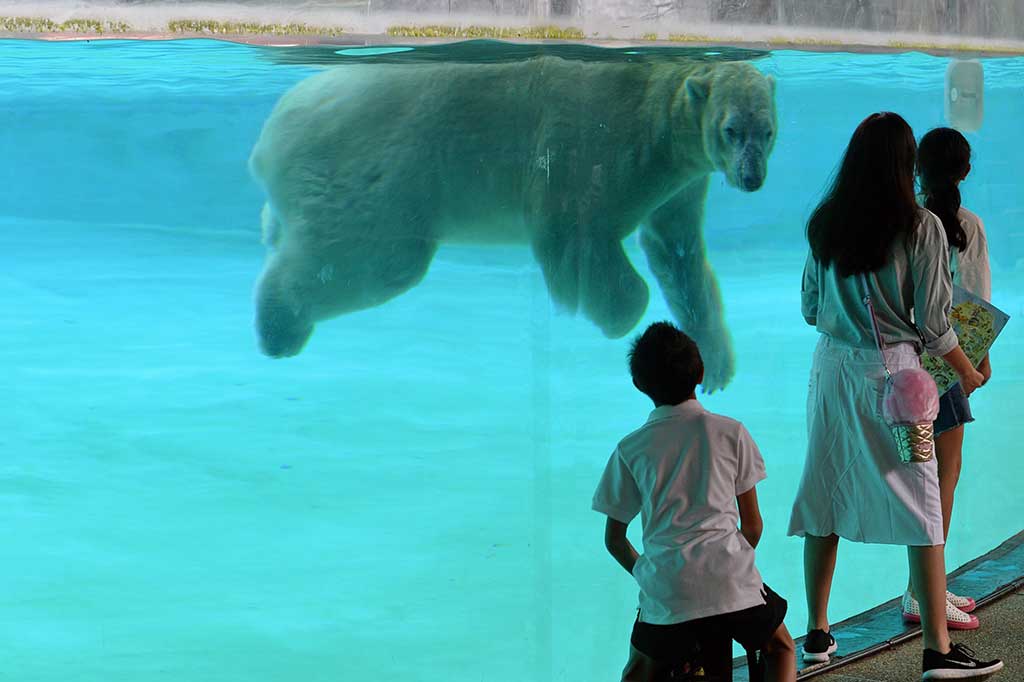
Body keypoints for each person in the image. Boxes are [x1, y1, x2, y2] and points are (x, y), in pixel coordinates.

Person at [788, 112, 1002, 680]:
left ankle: (817, 634)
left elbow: (811, 308)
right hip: (901, 385)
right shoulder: (922, 226)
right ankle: (937, 649)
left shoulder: (823, 222)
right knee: (923, 500)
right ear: (906, 165)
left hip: (832, 376)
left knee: (824, 491)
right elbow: (935, 325)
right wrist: (969, 371)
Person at [593, 321, 795, 682]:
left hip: (667, 588)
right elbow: (753, 526)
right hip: (731, 581)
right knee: (781, 648)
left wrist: (648, 572)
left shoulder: (630, 449)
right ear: (700, 373)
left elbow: (614, 539)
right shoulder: (731, 432)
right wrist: (727, 562)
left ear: (639, 385)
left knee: (638, 670)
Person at [900, 127, 993, 629]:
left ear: (918, 169)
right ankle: (920, 592)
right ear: (966, 170)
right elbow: (972, 303)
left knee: (920, 476)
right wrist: (977, 363)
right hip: (947, 366)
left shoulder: (903, 219)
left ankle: (925, 584)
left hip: (902, 367)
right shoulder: (966, 225)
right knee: (944, 477)